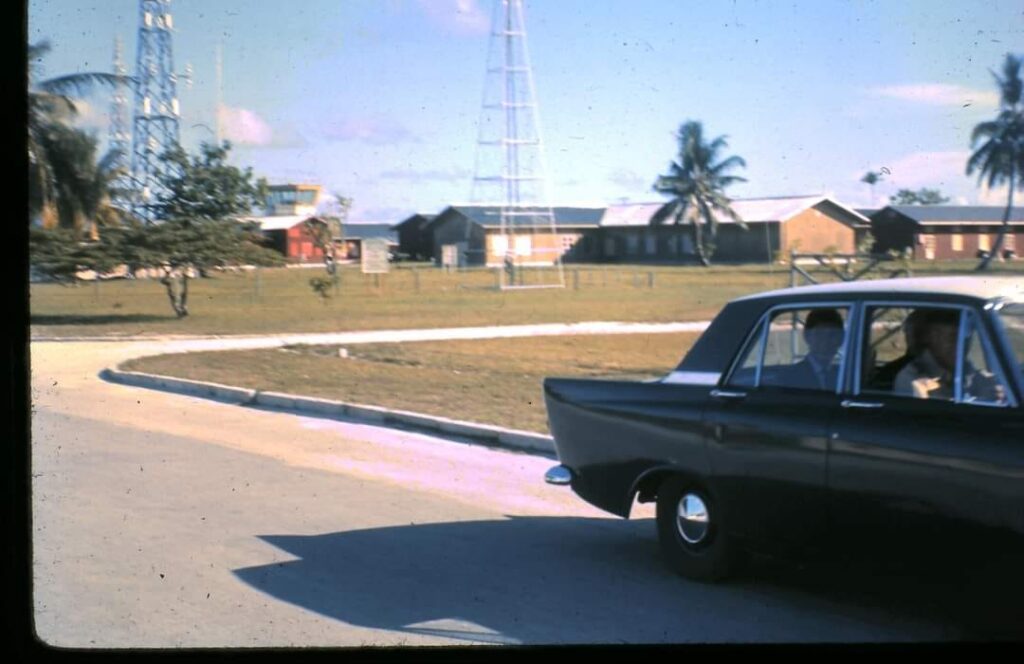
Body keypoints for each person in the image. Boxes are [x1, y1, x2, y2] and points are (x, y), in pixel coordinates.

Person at [895, 309, 1005, 402]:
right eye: (952, 338)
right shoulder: (911, 378)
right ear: (932, 337)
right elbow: (934, 421)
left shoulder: (970, 372)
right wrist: (981, 401)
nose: (961, 346)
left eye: (965, 339)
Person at [777, 308, 845, 390]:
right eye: (819, 334)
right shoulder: (790, 377)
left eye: (832, 335)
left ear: (841, 338)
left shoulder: (845, 375)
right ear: (807, 336)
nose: (825, 341)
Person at [867, 309, 927, 390]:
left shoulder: (938, 369)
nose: (912, 335)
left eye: (918, 331)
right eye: (908, 330)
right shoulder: (894, 372)